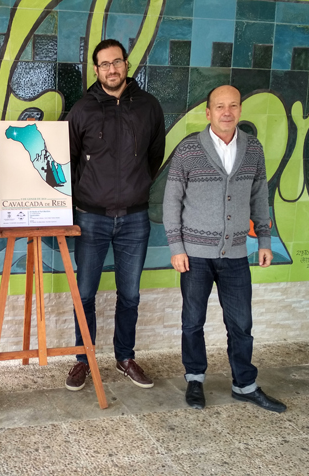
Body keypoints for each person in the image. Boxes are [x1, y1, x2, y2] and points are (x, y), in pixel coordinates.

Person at [162, 85, 286, 413]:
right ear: (208, 112)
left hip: (235, 254)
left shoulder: (253, 148)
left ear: (240, 110)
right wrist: (176, 247)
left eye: (233, 106)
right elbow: (171, 201)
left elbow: (260, 196)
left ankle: (244, 385)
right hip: (195, 255)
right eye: (219, 106)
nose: (226, 112)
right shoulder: (189, 149)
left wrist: (264, 240)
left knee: (241, 324)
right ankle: (195, 379)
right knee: (193, 321)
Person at [64, 39, 166, 391]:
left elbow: (155, 157)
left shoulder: (149, 107)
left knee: (130, 295)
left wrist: (136, 187)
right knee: (85, 293)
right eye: (104, 64)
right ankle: (83, 359)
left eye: (117, 62)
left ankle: (125, 357)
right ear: (96, 70)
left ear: (126, 64)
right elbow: (68, 161)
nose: (112, 69)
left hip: (135, 219)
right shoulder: (82, 110)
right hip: (91, 218)